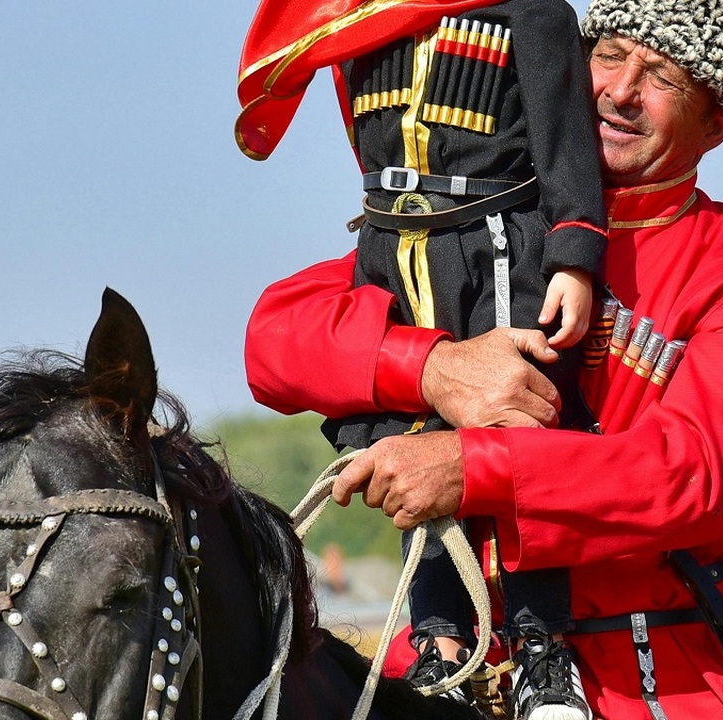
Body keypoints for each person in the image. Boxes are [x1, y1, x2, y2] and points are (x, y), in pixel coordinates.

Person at [244, 0, 723, 717]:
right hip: (445, 663)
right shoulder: (476, 227)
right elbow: (274, 338)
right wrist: (434, 367)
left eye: (664, 76)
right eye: (608, 53)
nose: (618, 90)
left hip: (651, 684)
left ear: (719, 121)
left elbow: (693, 473)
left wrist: (471, 467)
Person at [237, 2, 609, 718]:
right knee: (414, 450)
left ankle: (541, 649)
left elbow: (562, 141)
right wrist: (424, 364)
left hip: (501, 247)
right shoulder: (356, 22)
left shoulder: (530, 15)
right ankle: (438, 637)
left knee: (521, 431)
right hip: (395, 246)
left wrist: (575, 253)